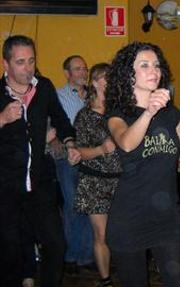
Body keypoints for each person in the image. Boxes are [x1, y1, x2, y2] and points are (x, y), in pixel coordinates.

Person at [105, 42, 180, 287]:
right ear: (128, 74)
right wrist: (148, 112)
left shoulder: (171, 114)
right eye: (145, 65)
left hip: (166, 215)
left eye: (156, 65)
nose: (154, 71)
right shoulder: (118, 114)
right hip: (129, 217)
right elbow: (127, 143)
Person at [0, 34, 80, 287]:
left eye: (31, 61)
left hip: (41, 184)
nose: (28, 68)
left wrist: (69, 143)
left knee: (56, 244)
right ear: (6, 64)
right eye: (20, 62)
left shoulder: (43, 87)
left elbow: (61, 120)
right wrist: (1, 118)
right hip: (7, 188)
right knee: (9, 252)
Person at [73, 63, 121, 287]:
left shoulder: (120, 110)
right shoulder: (84, 116)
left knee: (122, 231)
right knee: (101, 234)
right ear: (95, 82)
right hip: (94, 181)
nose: (110, 81)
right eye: (105, 77)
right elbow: (78, 152)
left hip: (122, 180)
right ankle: (106, 280)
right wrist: (102, 149)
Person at [57, 55, 94, 271]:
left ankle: (86, 256)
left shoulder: (94, 96)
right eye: (78, 69)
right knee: (72, 206)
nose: (83, 73)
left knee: (88, 204)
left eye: (85, 69)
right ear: (67, 73)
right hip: (67, 158)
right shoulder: (58, 96)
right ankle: (71, 256)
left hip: (91, 157)